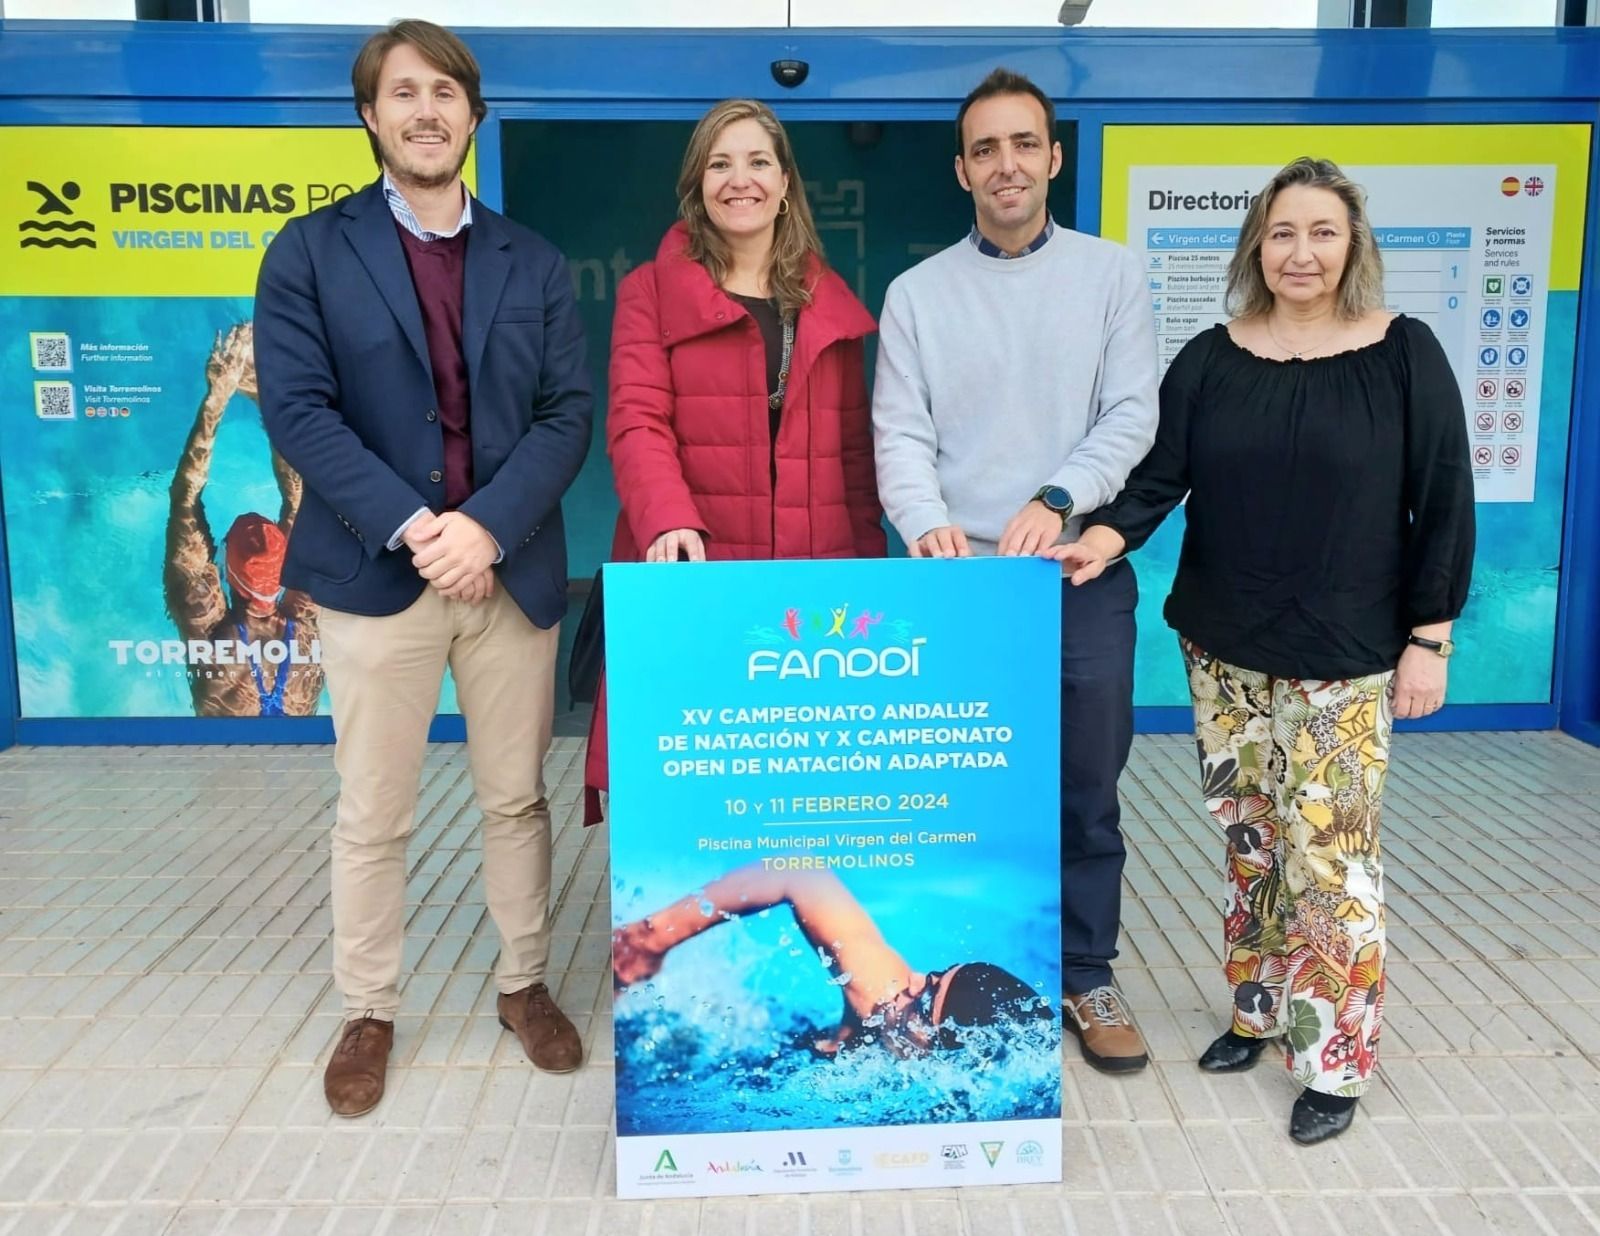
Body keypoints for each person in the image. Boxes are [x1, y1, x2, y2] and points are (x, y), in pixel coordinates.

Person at [1052, 157, 1475, 1144]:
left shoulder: (1404, 354)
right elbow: (1158, 478)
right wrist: (1100, 539)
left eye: (1322, 232)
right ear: (1254, 246)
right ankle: (1256, 1009)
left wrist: (1429, 639)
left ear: (1353, 245)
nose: (1300, 252)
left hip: (1351, 651)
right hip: (1226, 647)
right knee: (1250, 843)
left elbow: (1443, 500)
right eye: (1282, 232)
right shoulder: (1210, 358)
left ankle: (1333, 1061)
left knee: (1330, 860)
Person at [254, 19, 593, 1117]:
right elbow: (302, 414)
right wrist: (416, 524)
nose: (426, 111)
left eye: (445, 92)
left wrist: (484, 528)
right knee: (374, 810)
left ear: (473, 115)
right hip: (373, 571)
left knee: (514, 800)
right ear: (369, 116)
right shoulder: (308, 252)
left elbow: (564, 414)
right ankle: (369, 1007)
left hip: (508, 573)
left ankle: (524, 982)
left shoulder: (529, 260)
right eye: (402, 93)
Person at [871, 68, 1159, 1073]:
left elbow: (1132, 412)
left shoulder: (1111, 276)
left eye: (1023, 144)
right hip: (959, 587)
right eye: (985, 149)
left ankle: (1085, 975)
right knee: (959, 793)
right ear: (961, 171)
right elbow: (899, 432)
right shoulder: (917, 295)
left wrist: (1056, 498)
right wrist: (923, 524)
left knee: (1083, 783)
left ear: (1053, 157)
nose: (1006, 164)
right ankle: (960, 979)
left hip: (1074, 571)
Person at [582, 98, 884, 823]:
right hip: (691, 567)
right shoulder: (650, 293)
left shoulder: (829, 303)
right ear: (697, 184)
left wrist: (870, 567)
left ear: (785, 183)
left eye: (757, 162)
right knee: (689, 774)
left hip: (814, 582)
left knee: (805, 788)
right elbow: (636, 418)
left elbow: (852, 454)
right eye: (720, 163)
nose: (738, 179)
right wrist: (665, 521)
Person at [612, 862, 1053, 1059]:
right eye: (934, 976)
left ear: (940, 1049)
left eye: (927, 998)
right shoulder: (886, 992)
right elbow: (799, 873)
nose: (914, 982)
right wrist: (655, 936)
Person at [165, 321, 323, 717]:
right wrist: (268, 400)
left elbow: (185, 498)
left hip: (226, 761)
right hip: (299, 762)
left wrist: (216, 400)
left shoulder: (210, 629)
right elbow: (303, 499)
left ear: (225, 572)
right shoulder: (306, 624)